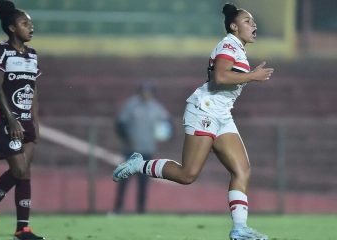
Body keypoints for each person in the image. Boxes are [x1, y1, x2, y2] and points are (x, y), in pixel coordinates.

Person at [113, 3, 274, 240]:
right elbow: (219, 77)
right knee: (187, 175)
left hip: (222, 114)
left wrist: (249, 76)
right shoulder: (228, 44)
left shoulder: (238, 47)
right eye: (248, 21)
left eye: (253, 21)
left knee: (242, 170)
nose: (254, 25)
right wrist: (252, 76)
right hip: (204, 110)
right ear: (233, 26)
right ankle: (139, 164)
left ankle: (239, 229)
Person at [0, 1, 44, 239]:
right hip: (3, 119)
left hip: (26, 121)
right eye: (25, 23)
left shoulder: (33, 55)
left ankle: (16, 225)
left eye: (31, 23)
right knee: (20, 170)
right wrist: (12, 120)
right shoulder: (1, 50)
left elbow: (33, 90)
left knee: (23, 172)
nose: (30, 27)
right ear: (12, 28)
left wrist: (34, 122)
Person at [114, 82, 171, 214]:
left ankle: (141, 210)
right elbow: (120, 123)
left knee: (143, 182)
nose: (146, 95)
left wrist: (165, 135)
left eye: (149, 92)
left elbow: (167, 122)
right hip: (131, 150)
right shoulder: (131, 105)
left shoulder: (156, 107)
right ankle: (118, 207)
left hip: (147, 150)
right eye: (144, 92)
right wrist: (126, 139)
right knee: (124, 179)